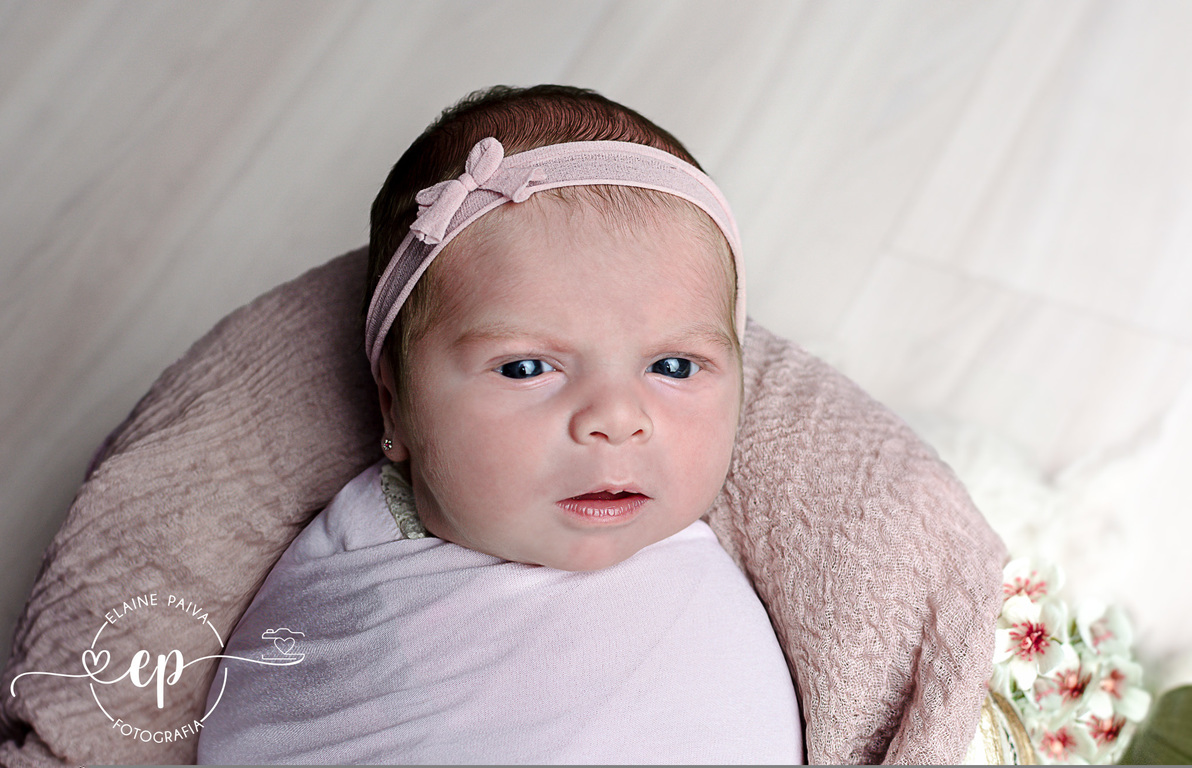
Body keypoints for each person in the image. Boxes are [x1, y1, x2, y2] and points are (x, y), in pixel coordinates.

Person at [196, 85, 804, 763]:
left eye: (674, 366)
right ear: (393, 404)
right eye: (526, 368)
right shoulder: (357, 562)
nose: (617, 419)